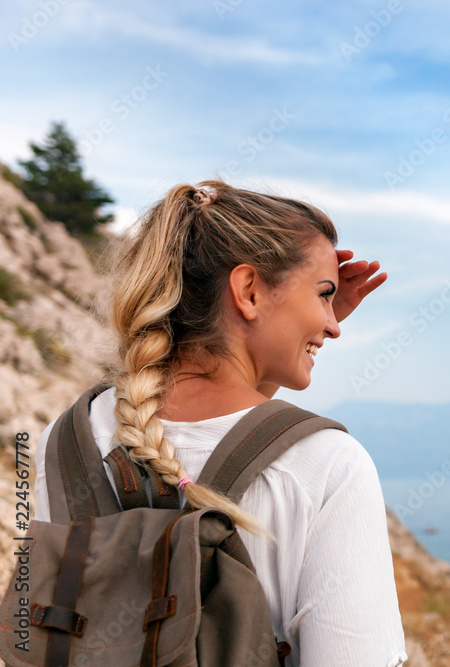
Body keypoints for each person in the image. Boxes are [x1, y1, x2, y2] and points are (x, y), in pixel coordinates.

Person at [32, 180, 408, 667]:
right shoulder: (326, 467)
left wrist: (286, 336)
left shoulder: (65, 440)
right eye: (323, 296)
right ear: (248, 291)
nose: (334, 324)